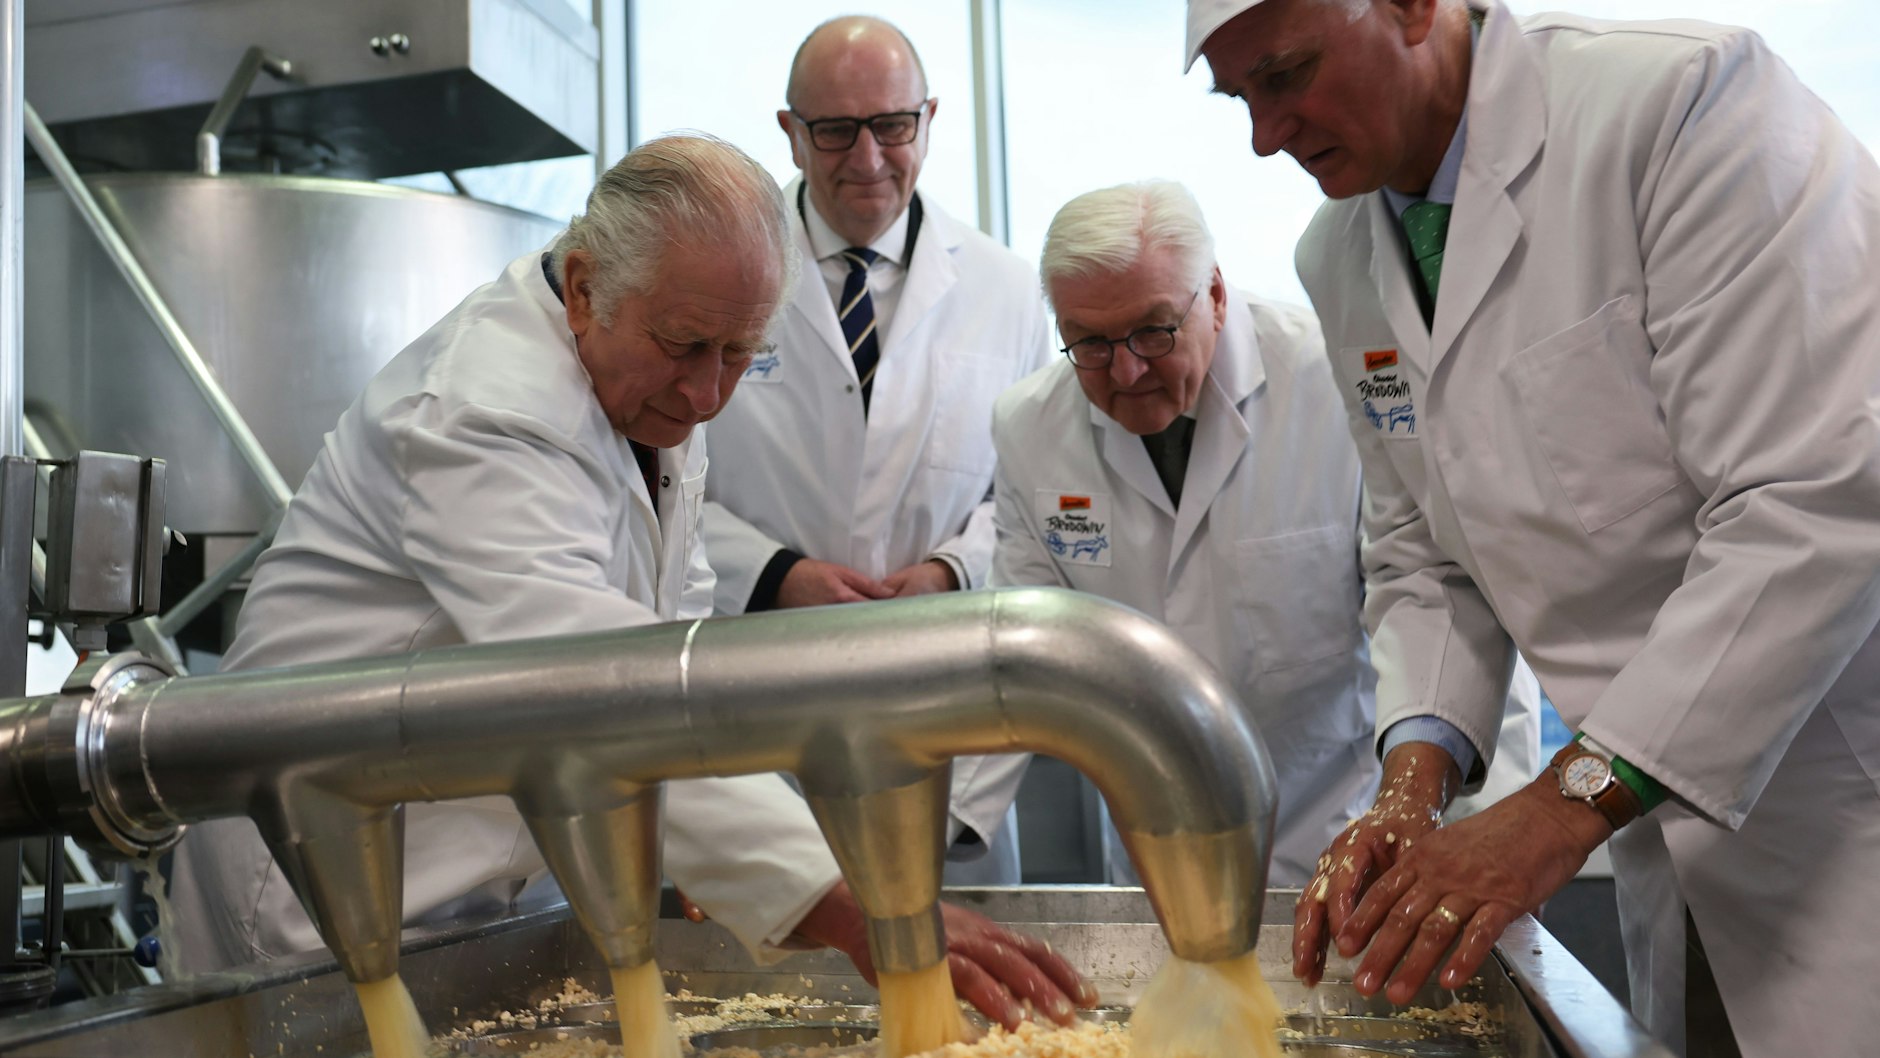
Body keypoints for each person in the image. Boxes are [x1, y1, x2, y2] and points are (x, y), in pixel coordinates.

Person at [165, 134, 1092, 1028]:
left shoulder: (646, 382)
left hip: (487, 883)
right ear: (581, 290)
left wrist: (731, 860)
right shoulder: (483, 412)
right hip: (331, 889)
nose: (704, 396)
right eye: (686, 347)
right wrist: (843, 899)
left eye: (739, 356)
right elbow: (586, 686)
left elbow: (675, 655)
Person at [1188, 1, 1880, 1054]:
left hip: (1835, 786)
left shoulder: (1679, 103)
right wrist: (1409, 782)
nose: (1263, 134)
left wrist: (1554, 813)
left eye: (1285, 75)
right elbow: (1424, 555)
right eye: (1238, 97)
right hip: (1650, 822)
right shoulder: (1339, 256)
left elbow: (1816, 493)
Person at [962, 179, 1538, 887]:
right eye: (1088, 343)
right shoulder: (1029, 427)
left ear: (1215, 295)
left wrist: (1493, 843)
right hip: (1158, 849)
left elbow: (1443, 599)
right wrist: (946, 830)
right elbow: (1023, 645)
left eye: (1153, 330)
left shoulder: (1331, 381)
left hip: (1348, 831)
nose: (1127, 369)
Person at [698, 16, 1052, 883]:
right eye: (834, 131)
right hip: (764, 686)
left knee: (965, 984)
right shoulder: (718, 274)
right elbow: (658, 476)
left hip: (942, 681)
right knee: (774, 976)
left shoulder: (1005, 288)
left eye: (892, 126)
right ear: (788, 131)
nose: (867, 158)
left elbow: (1038, 485)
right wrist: (776, 574)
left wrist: (952, 569)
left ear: (928, 119)